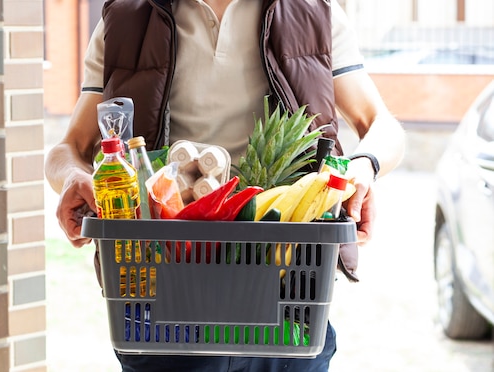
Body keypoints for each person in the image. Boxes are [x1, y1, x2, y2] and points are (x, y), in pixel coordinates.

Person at [45, 0, 405, 370]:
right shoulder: (126, 18)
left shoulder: (313, 12)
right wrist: (72, 176)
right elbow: (69, 148)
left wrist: (365, 166)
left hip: (287, 293)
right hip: (164, 300)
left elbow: (381, 124)